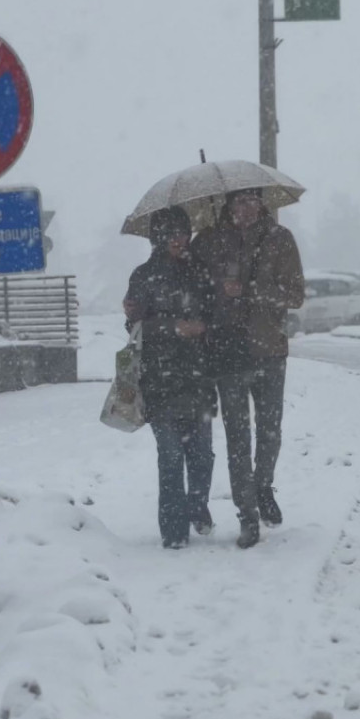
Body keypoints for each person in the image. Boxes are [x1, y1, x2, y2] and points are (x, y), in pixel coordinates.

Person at [192, 188, 305, 549]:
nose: (247, 207)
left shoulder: (280, 239)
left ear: (262, 203)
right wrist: (216, 290)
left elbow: (295, 295)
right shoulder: (209, 241)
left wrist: (252, 289)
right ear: (227, 204)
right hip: (227, 353)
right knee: (238, 438)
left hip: (269, 349)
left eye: (253, 200)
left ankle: (263, 485)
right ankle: (247, 514)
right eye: (239, 201)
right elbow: (193, 288)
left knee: (270, 431)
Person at [123, 206, 218, 549]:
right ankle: (174, 530)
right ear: (159, 238)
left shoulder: (200, 270)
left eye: (185, 232)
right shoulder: (144, 276)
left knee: (202, 454)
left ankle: (196, 506)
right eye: (173, 233)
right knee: (171, 456)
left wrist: (205, 326)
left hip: (199, 378)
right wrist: (174, 327)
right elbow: (134, 328)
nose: (181, 239)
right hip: (159, 379)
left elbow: (213, 313)